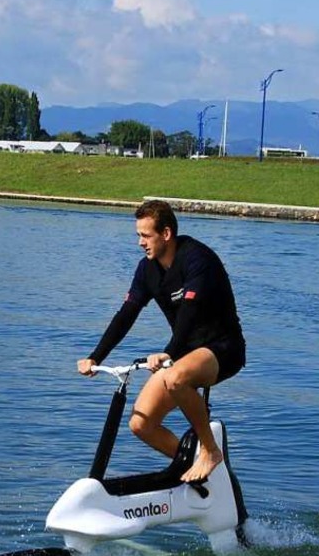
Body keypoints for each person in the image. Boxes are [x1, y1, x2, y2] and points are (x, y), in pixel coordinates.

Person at [77, 199, 245, 483]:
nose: (140, 243)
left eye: (145, 235)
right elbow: (126, 315)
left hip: (222, 349)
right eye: (138, 236)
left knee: (175, 378)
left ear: (166, 234)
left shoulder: (197, 259)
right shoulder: (147, 269)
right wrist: (96, 357)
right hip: (184, 353)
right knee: (141, 423)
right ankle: (194, 466)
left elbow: (189, 314)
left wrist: (168, 354)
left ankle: (210, 452)